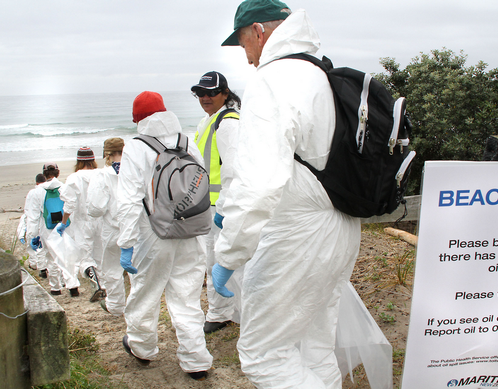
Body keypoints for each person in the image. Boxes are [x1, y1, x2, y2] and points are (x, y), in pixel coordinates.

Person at [214, 1, 362, 387]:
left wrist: (230, 254)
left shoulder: (272, 78)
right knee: (316, 346)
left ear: (259, 32)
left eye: (244, 43)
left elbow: (259, 183)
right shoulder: (321, 73)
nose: (246, 58)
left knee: (263, 353)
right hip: (341, 224)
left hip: (298, 234)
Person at [116, 91, 212, 380]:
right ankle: (196, 361)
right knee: (187, 297)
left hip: (154, 235)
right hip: (192, 232)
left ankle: (142, 348)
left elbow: (129, 200)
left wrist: (126, 243)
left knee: (145, 293)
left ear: (138, 120)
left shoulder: (136, 146)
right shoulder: (187, 140)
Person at [191, 71, 242, 334]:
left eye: (211, 93)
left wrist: (222, 209)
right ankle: (230, 309)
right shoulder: (210, 121)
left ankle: (220, 313)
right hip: (209, 204)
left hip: (220, 206)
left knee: (217, 260)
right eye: (200, 93)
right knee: (218, 260)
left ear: (224, 93)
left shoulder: (228, 123)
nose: (205, 97)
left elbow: (233, 172)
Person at [55, 147, 105, 300]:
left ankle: (96, 282)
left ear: (78, 161)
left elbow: (69, 204)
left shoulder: (73, 178)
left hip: (82, 222)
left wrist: (63, 222)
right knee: (100, 255)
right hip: (101, 220)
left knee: (85, 256)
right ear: (93, 159)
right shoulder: (101, 174)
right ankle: (103, 287)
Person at [87, 137, 126, 316]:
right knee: (138, 270)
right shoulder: (136, 170)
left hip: (112, 230)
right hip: (136, 227)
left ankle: (117, 307)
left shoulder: (101, 175)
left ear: (107, 154)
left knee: (112, 270)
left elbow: (96, 208)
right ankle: (137, 307)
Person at [26, 163, 67, 295]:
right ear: (58, 173)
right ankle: (71, 285)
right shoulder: (64, 187)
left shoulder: (36, 192)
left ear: (44, 175)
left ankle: (56, 288)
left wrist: (33, 235)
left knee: (51, 258)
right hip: (64, 225)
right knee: (65, 255)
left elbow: (33, 217)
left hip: (47, 227)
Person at [19, 173, 47, 271]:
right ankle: (43, 266)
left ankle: (34, 264)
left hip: (32, 220)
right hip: (43, 221)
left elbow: (27, 209)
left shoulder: (32, 192)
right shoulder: (46, 191)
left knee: (32, 245)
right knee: (43, 245)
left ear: (36, 182)